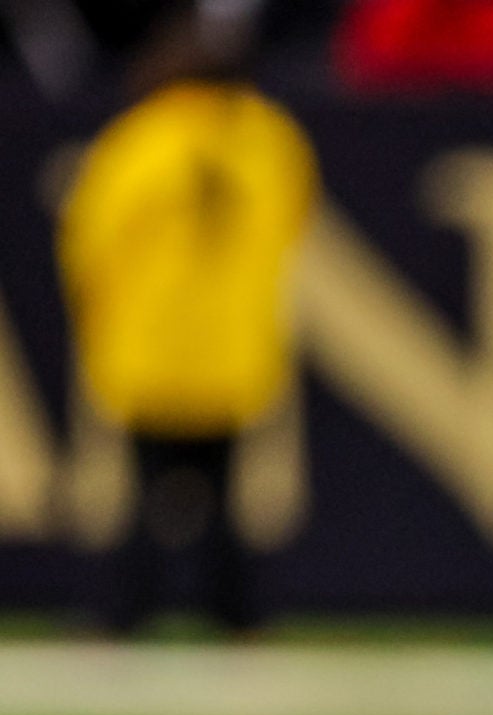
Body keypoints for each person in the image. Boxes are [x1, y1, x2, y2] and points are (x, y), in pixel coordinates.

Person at [56, 36, 315, 634]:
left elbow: (89, 243)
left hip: (150, 352)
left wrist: (102, 317)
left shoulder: (139, 138)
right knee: (221, 493)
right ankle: (238, 618)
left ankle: (123, 615)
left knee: (148, 492)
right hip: (233, 353)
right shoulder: (269, 138)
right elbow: (294, 221)